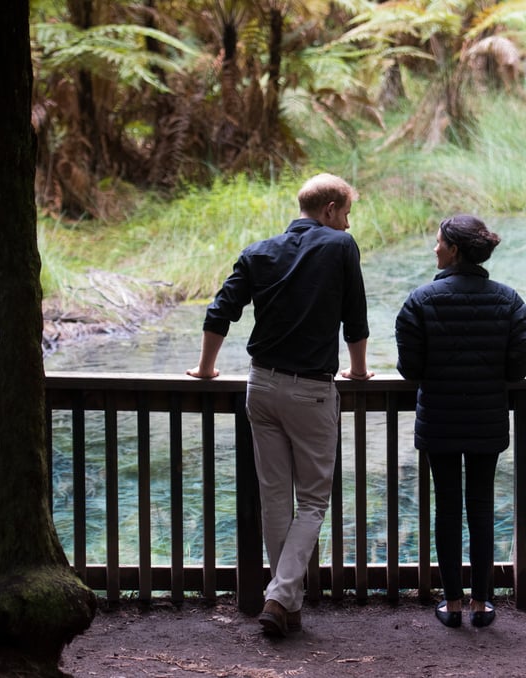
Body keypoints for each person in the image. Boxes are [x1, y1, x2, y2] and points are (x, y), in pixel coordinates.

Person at [187, 173, 374, 637]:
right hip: (311, 390)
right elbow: (355, 316)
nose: (348, 225)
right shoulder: (339, 247)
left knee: (275, 495)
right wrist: (357, 370)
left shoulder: (258, 252)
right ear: (330, 209)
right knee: (312, 500)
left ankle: (284, 602)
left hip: (262, 387)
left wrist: (207, 369)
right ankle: (280, 595)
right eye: (346, 214)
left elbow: (220, 310)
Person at [394, 214, 526, 629]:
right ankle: (482, 603)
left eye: (438, 242)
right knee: (481, 507)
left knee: (447, 508)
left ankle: (452, 603)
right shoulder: (509, 301)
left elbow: (410, 369)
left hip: (438, 418)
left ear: (454, 250)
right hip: (487, 418)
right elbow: (517, 369)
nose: (434, 248)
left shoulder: (419, 301)